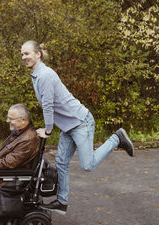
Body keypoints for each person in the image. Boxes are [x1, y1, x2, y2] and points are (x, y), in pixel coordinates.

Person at [20, 40, 134, 215]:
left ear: (38, 54)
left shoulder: (45, 75)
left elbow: (49, 105)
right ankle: (62, 202)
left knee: (87, 165)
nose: (24, 57)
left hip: (81, 122)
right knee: (61, 162)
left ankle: (117, 138)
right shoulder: (37, 75)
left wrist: (48, 130)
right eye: (22, 54)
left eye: (27, 53)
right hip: (69, 126)